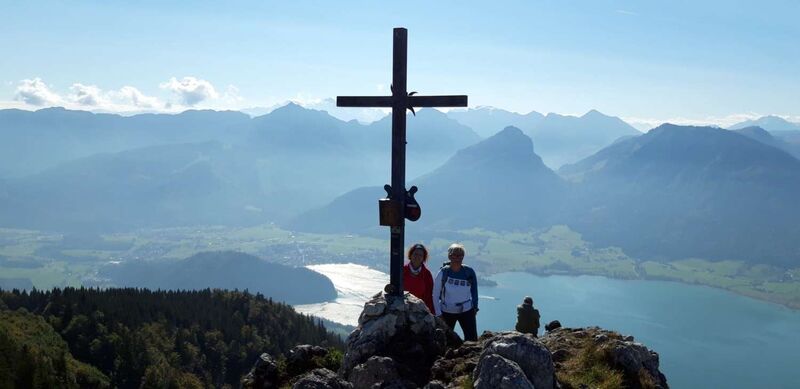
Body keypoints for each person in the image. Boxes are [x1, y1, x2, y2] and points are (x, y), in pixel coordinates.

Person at [432, 243, 479, 341]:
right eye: (455, 255)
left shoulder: (469, 272)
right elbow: (435, 294)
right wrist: (438, 314)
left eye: (461, 255)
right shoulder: (443, 273)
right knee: (446, 340)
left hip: (467, 310)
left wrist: (475, 307)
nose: (458, 257)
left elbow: (474, 291)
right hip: (447, 311)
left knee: (472, 340)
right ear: (449, 256)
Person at [403, 243, 435, 313]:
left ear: (424, 258)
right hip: (403, 308)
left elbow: (429, 296)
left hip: (420, 310)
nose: (417, 257)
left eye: (420, 255)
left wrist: (431, 313)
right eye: (415, 254)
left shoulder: (427, 274)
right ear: (410, 255)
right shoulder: (402, 270)